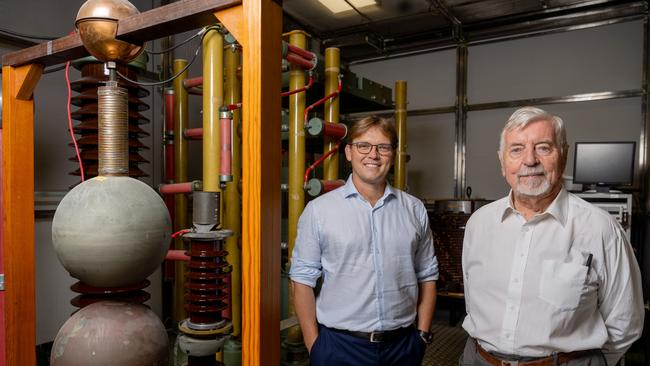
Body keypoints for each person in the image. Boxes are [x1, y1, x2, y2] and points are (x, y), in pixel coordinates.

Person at [461, 106, 645, 366]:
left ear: (563, 155)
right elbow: (473, 303)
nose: (529, 160)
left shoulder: (600, 229)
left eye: (543, 147)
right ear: (502, 162)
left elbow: (626, 323)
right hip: (479, 360)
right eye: (516, 149)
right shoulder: (479, 224)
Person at [289, 115, 439, 365]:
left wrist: (421, 336)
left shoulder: (414, 209)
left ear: (392, 154)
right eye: (363, 146)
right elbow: (301, 280)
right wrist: (314, 344)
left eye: (383, 147)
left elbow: (427, 274)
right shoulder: (319, 211)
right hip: (338, 348)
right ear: (348, 153)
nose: (373, 155)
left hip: (402, 347)